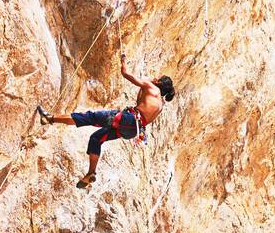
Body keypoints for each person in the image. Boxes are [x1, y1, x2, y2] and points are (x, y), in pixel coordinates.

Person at [37, 54, 175, 190]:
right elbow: (140, 101)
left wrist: (124, 61)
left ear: (159, 83)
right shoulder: (160, 104)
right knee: (96, 138)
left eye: (158, 78)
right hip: (132, 130)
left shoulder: (152, 87)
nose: (155, 78)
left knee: (89, 117)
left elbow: (125, 73)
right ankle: (90, 174)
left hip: (128, 120)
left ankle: (49, 118)